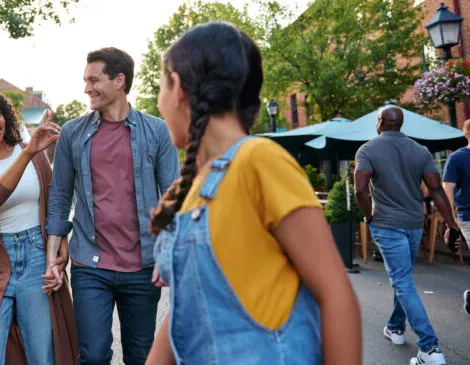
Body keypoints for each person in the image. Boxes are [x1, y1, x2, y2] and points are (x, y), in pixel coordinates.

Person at [144, 22, 361, 365]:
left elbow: (336, 295)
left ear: (178, 88)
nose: (159, 103)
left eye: (160, 87)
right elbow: (193, 306)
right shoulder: (195, 187)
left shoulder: (259, 160)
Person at [45, 47, 180, 365]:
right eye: (85, 80)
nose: (87, 88)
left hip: (144, 266)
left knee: (141, 355)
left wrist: (166, 251)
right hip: (90, 265)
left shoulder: (157, 131)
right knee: (92, 356)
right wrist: (53, 255)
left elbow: (172, 197)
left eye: (94, 80)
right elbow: (61, 195)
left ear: (119, 80)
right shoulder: (72, 133)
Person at [0, 90, 78, 365]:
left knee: (42, 354)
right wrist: (29, 151)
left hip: (35, 255)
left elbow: (54, 198)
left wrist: (61, 244)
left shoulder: (30, 152)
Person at [355, 106, 457, 365]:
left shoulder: (367, 150)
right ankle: (395, 328)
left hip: (387, 225)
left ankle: (430, 349)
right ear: (400, 124)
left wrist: (369, 217)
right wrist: (451, 224)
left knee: (402, 281)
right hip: (414, 224)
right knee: (403, 278)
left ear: (380, 122)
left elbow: (360, 192)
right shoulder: (420, 150)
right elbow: (435, 189)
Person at [442, 118, 470, 316]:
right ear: (467, 134)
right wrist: (451, 223)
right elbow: (448, 189)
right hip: (467, 214)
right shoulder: (457, 158)